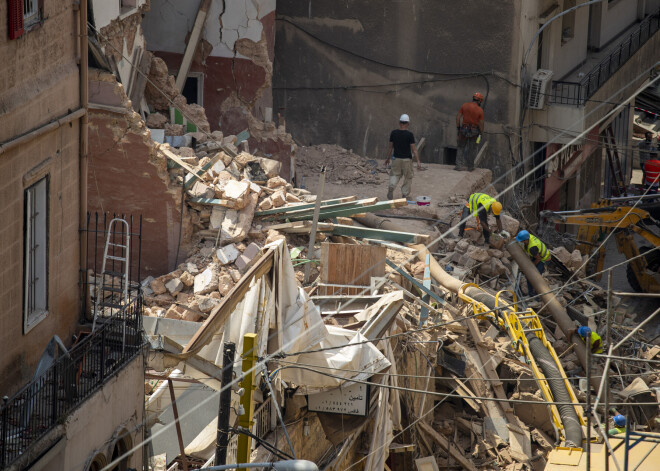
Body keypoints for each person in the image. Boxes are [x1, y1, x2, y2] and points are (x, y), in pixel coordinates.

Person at [385, 114, 422, 200]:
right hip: (406, 160)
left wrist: (387, 158)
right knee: (408, 177)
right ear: (408, 123)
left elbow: (390, 147)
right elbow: (414, 149)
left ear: (399, 123)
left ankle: (391, 186)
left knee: (395, 174)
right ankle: (405, 195)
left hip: (396, 159)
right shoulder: (409, 135)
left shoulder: (393, 133)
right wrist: (418, 161)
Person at [516, 230, 551, 297]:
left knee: (534, 277)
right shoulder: (528, 236)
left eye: (522, 241)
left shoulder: (532, 247)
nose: (520, 242)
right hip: (537, 255)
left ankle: (536, 296)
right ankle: (531, 293)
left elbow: (538, 258)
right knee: (530, 274)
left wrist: (532, 266)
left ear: (526, 240)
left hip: (544, 259)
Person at [455, 92, 485, 171]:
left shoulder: (464, 105)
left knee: (461, 147)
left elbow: (458, 117)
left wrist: (458, 128)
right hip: (474, 131)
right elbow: (481, 123)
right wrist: (481, 133)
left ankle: (458, 166)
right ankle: (470, 167)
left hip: (464, 129)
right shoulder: (480, 110)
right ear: (479, 101)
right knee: (472, 149)